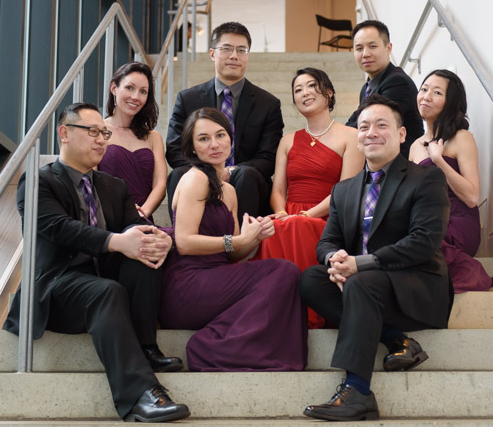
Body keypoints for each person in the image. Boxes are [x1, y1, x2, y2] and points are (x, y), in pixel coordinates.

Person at [3, 103, 190, 423]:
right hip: (57, 283)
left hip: (102, 277)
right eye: (93, 132)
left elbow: (136, 226)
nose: (102, 139)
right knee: (107, 291)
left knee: (144, 257)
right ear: (64, 133)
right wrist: (118, 241)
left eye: (104, 133)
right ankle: (140, 396)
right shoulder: (38, 181)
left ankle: (145, 348)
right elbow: (58, 228)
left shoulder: (113, 185)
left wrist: (161, 239)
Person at [299, 94, 451, 422]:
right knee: (311, 279)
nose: (371, 132)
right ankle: (396, 340)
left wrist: (360, 264)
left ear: (400, 134)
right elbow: (327, 241)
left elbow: (423, 243)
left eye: (382, 125)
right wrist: (335, 259)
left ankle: (357, 391)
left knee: (361, 282)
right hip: (364, 285)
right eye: (364, 126)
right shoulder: (344, 190)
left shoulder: (426, 179)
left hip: (416, 285)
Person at [160, 108, 307, 371]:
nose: (214, 144)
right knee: (284, 271)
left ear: (231, 139)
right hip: (188, 284)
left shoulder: (228, 189)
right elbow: (184, 242)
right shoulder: (195, 178)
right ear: (192, 148)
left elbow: (232, 254)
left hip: (216, 277)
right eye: (203, 139)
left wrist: (254, 237)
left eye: (220, 135)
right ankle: (210, 347)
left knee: (285, 271)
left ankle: (228, 341)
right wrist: (237, 241)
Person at [256, 67, 364, 329]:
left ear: (328, 92)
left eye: (311, 86)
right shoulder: (288, 141)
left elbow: (345, 189)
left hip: (330, 215)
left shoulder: (351, 136)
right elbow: (278, 190)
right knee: (271, 227)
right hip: (290, 213)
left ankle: (310, 312)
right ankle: (278, 311)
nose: (304, 92)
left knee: (298, 225)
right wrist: (281, 212)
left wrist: (308, 214)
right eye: (297, 89)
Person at [165, 21, 283, 224]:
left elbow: (269, 157)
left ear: (247, 55)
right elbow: (175, 148)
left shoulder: (268, 104)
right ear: (212, 53)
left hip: (245, 180)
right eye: (226, 49)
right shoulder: (188, 99)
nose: (234, 56)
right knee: (178, 174)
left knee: (246, 174)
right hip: (199, 173)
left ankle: (239, 245)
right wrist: (207, 172)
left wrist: (229, 172)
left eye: (241, 50)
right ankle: (184, 240)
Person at [409, 69, 492, 293]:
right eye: (423, 89)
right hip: (427, 221)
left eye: (436, 92)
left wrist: (439, 161)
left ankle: (469, 272)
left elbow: (472, 196)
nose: (425, 96)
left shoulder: (461, 138)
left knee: (418, 239)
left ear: (450, 102)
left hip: (458, 221)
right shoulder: (415, 146)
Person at [98, 62, 166, 222]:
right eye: (130, 88)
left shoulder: (154, 137)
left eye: (143, 92)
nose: (136, 97)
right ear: (113, 88)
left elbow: (160, 185)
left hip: (143, 218)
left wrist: (142, 214)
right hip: (108, 219)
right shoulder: (97, 131)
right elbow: (90, 182)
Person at [345, 20, 423, 157]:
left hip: (401, 167)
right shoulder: (367, 87)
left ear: (388, 48)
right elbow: (356, 121)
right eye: (359, 48)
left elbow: (364, 124)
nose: (365, 54)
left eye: (372, 46)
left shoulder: (397, 82)